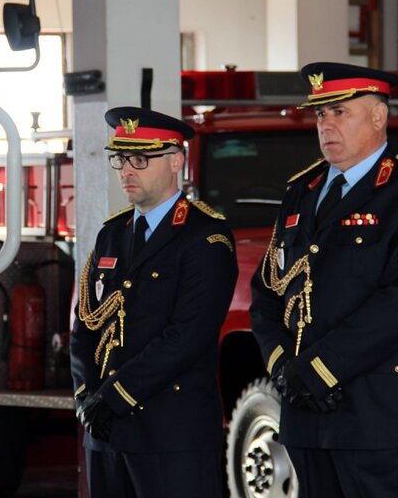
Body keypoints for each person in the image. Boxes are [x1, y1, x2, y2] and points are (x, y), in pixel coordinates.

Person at [70, 106, 238, 497]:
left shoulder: (205, 238)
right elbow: (87, 325)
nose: (127, 170)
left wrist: (112, 397)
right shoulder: (112, 234)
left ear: (176, 161)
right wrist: (86, 397)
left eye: (141, 159)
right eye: (121, 158)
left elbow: (187, 336)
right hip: (106, 432)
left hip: (172, 435)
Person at [250, 62, 398, 497]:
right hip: (305, 415)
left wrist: (321, 369)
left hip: (375, 415)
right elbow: (268, 291)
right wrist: (283, 368)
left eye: (340, 113)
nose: (326, 125)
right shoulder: (303, 192)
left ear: (377, 116)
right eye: (320, 115)